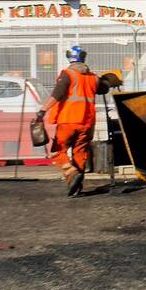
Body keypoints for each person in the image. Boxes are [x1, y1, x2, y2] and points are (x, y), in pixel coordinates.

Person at [35, 46, 122, 197]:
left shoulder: (68, 74)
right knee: (80, 152)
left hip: (68, 120)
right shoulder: (93, 78)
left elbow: (57, 95)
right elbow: (104, 87)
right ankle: (76, 187)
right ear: (83, 57)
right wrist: (110, 80)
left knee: (57, 150)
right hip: (87, 123)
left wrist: (42, 111)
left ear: (69, 58)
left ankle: (71, 172)